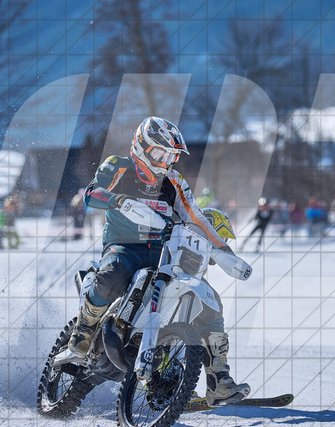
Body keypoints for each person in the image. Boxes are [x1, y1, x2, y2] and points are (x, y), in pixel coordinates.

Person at [68, 116, 250, 406]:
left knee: (209, 300)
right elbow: (91, 193)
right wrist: (119, 201)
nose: (165, 162)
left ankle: (218, 379)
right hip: (124, 246)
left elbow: (196, 218)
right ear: (141, 145)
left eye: (171, 157)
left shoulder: (174, 181)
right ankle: (84, 330)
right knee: (114, 274)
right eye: (160, 154)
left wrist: (225, 253)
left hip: (163, 253)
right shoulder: (119, 166)